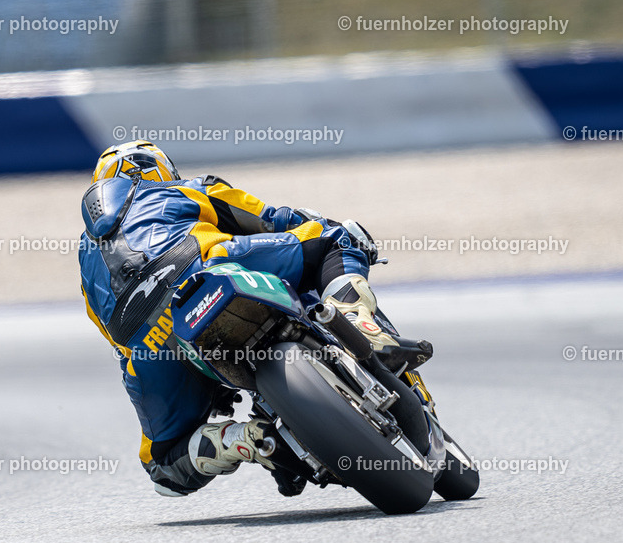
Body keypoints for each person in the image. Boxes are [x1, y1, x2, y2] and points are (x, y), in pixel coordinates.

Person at [79, 140, 429, 498]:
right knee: (334, 239)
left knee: (162, 466)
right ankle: (360, 325)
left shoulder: (84, 263)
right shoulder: (186, 189)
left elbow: (114, 337)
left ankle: (242, 440)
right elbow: (270, 219)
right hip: (212, 269)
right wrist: (314, 223)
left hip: (151, 346)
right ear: (161, 171)